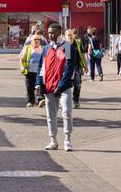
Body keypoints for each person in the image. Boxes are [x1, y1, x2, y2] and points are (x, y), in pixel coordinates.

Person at [37, 22, 78, 151]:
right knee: (50, 115)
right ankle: (53, 140)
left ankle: (67, 140)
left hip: (63, 87)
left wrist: (60, 87)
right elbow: (40, 67)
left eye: (52, 32)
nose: (50, 35)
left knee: (66, 112)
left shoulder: (67, 47)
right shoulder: (46, 48)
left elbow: (70, 68)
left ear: (59, 31)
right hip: (48, 86)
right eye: (48, 32)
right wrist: (39, 83)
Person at [20, 31, 45, 107]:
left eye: (38, 39)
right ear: (31, 41)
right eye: (35, 39)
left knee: (40, 86)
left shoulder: (43, 49)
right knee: (29, 87)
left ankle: (40, 100)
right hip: (29, 71)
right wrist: (22, 67)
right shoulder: (27, 48)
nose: (37, 41)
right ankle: (30, 101)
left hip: (40, 72)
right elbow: (22, 59)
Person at [66, 28, 87, 109]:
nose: (70, 36)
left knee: (77, 85)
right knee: (67, 86)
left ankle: (76, 101)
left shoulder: (77, 43)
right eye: (68, 35)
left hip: (77, 67)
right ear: (65, 36)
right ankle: (67, 101)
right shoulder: (65, 45)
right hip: (67, 68)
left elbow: (82, 54)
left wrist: (85, 66)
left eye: (71, 35)